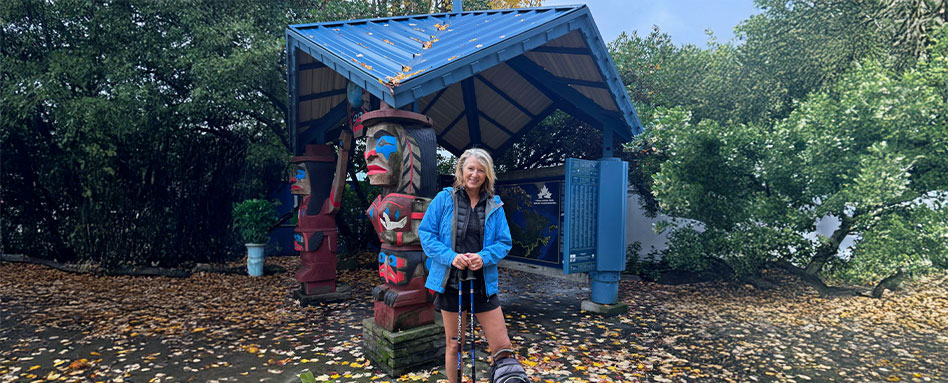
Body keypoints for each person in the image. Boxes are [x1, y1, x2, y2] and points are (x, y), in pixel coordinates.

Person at [418, 148, 515, 383]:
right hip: (451, 283)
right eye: (470, 168)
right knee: (454, 345)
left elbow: (504, 242)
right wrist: (451, 256)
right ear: (461, 170)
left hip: (483, 284)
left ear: (487, 174)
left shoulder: (494, 205)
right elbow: (426, 235)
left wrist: (484, 256)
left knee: (502, 347)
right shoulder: (444, 199)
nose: (475, 174)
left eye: (480, 170)